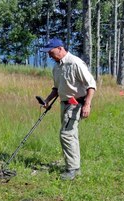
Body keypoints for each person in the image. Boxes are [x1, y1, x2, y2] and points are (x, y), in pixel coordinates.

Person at [40, 38, 96, 180]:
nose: (49, 56)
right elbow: (57, 88)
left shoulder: (75, 63)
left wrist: (87, 104)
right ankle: (75, 167)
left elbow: (91, 85)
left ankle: (72, 169)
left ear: (60, 48)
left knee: (66, 134)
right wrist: (47, 100)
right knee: (71, 135)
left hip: (76, 104)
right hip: (64, 103)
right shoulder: (57, 67)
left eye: (51, 52)